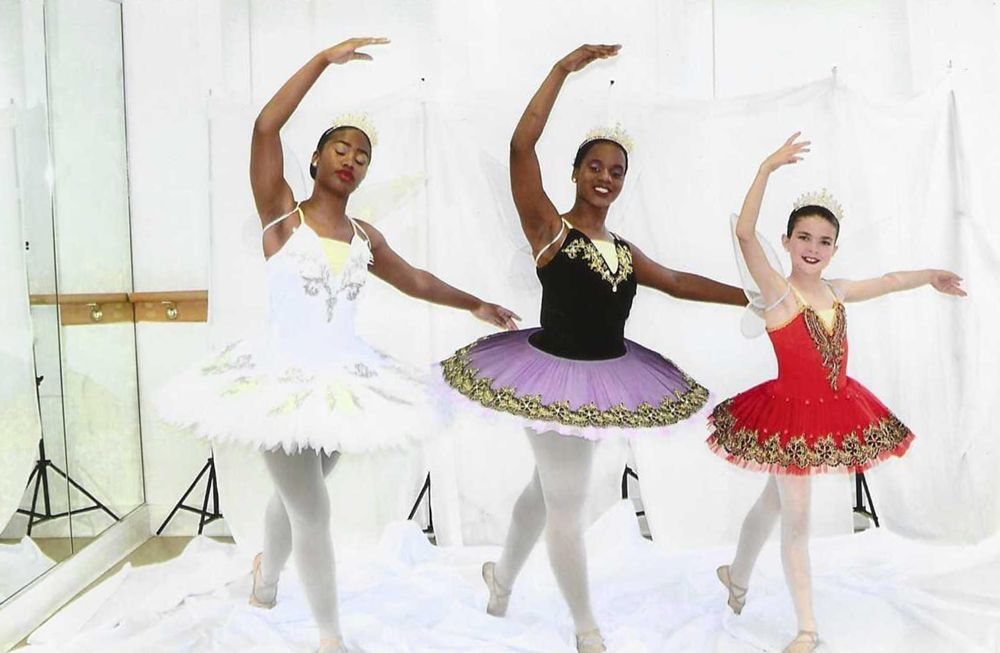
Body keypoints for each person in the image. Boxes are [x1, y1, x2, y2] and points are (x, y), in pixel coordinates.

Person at [157, 38, 518, 653]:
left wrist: (476, 304)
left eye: (362, 156)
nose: (351, 160)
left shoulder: (363, 234)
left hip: (344, 382)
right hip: (278, 379)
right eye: (340, 148)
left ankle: (264, 577)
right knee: (314, 509)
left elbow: (415, 279)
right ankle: (330, 638)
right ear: (317, 158)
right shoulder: (280, 215)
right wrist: (323, 62)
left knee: (299, 492)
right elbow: (265, 126)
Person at [439, 44, 747, 653]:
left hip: (606, 372)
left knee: (545, 490)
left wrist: (755, 298)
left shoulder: (626, 253)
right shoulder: (550, 231)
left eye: (616, 171)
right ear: (575, 173)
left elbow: (682, 283)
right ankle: (586, 626)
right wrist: (560, 70)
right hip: (548, 376)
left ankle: (500, 583)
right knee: (568, 502)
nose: (605, 178)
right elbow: (519, 148)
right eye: (595, 168)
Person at [709, 133, 966, 653]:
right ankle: (807, 628)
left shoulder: (836, 290)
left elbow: (890, 279)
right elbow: (743, 233)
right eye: (803, 237)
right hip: (788, 415)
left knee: (772, 504)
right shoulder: (778, 291)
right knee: (796, 520)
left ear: (834, 249)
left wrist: (929, 276)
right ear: (787, 242)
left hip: (835, 406)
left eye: (824, 242)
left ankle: (735, 576)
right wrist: (765, 167)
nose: (813, 248)